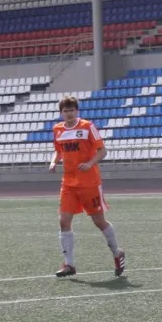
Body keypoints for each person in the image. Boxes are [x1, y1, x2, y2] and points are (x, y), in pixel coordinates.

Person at [49, 96, 125, 278]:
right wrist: (53, 162)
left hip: (89, 183)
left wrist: (90, 163)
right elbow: (58, 151)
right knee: (63, 221)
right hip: (68, 184)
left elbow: (102, 151)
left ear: (77, 111)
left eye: (71, 110)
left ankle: (117, 253)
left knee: (99, 221)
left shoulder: (87, 127)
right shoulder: (57, 129)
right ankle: (69, 264)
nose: (69, 113)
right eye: (65, 111)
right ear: (61, 113)